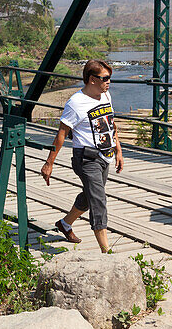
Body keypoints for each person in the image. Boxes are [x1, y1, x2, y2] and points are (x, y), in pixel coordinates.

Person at [40, 60, 124, 253]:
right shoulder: (76, 103)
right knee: (98, 200)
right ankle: (107, 251)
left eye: (109, 78)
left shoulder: (105, 95)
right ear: (92, 79)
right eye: (105, 78)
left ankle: (65, 223)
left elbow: (111, 124)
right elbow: (61, 134)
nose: (108, 82)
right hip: (86, 158)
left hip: (105, 156)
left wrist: (118, 150)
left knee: (90, 196)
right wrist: (48, 164)